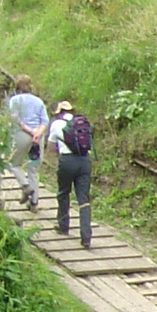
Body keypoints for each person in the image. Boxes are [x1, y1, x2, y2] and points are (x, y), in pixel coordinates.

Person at [46, 100, 93, 248]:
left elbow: (50, 147)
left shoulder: (56, 124)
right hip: (85, 161)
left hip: (67, 161)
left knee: (63, 192)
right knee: (84, 199)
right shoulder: (81, 123)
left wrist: (59, 152)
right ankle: (86, 236)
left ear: (58, 112)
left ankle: (63, 225)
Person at [6, 75, 48, 206]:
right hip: (38, 137)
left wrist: (30, 131)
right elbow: (45, 121)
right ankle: (34, 203)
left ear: (17, 86)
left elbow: (16, 119)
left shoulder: (15, 100)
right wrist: (38, 133)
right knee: (33, 170)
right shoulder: (38, 101)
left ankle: (25, 186)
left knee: (13, 163)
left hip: (22, 135)